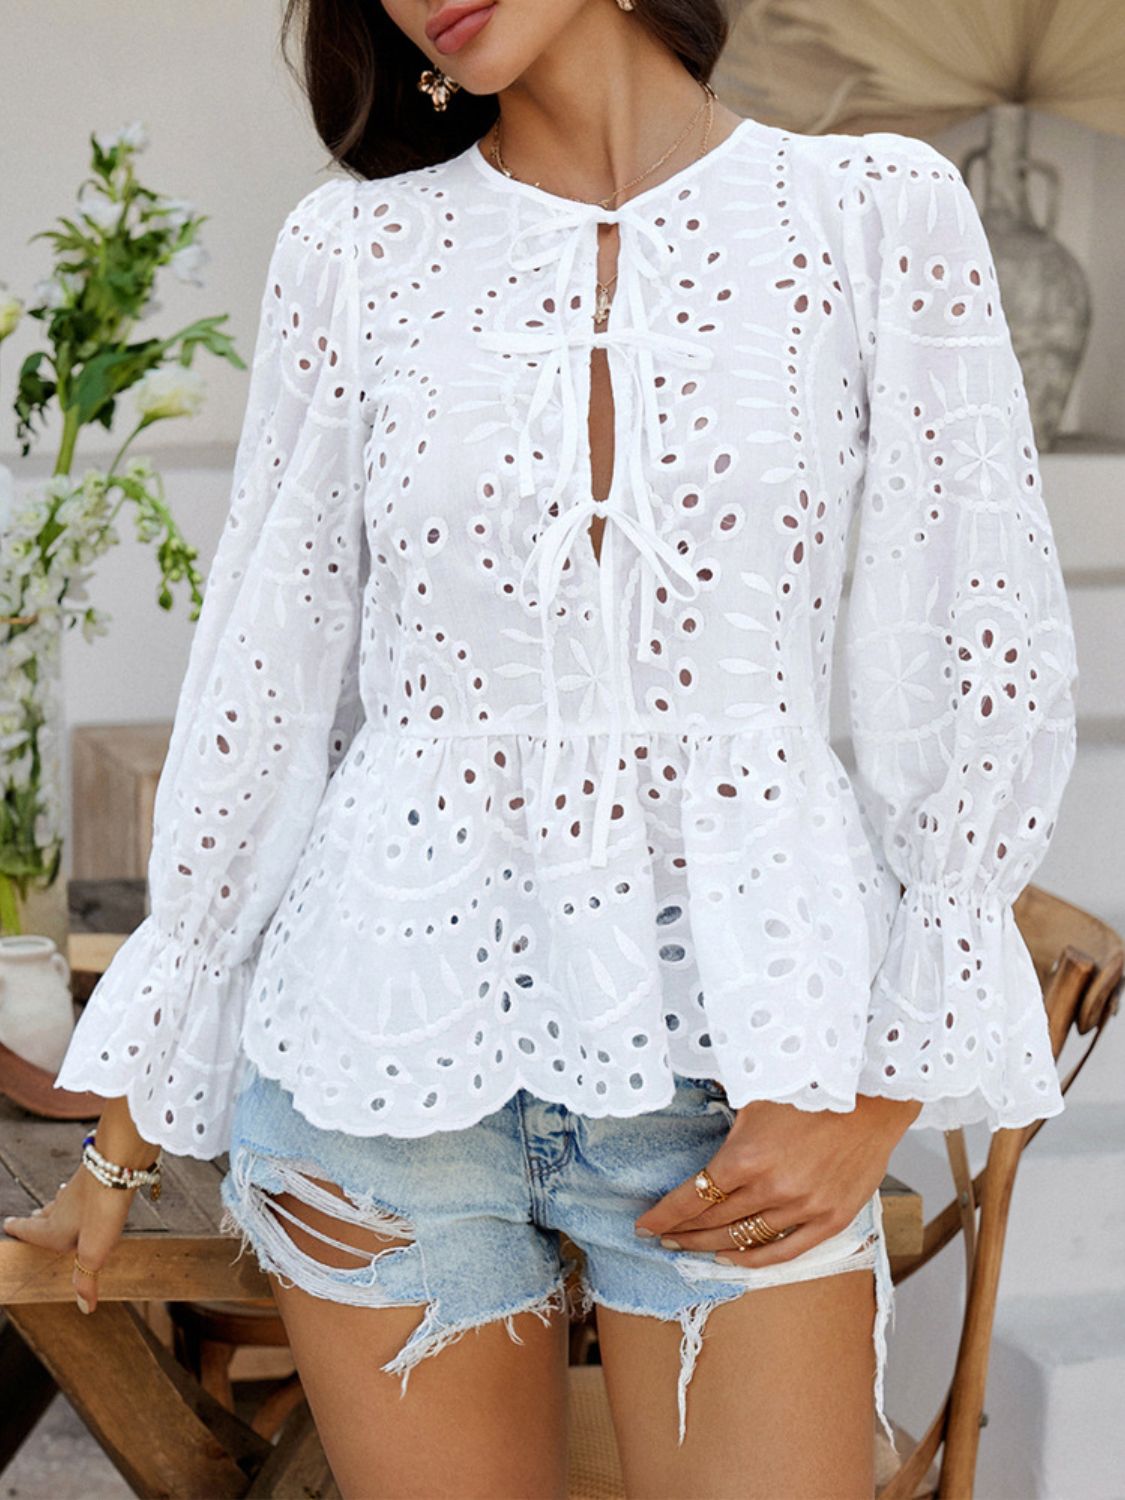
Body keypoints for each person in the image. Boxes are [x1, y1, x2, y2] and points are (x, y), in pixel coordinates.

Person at [4, 1, 1079, 1495]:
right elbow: (265, 681)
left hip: (749, 1068)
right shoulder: (353, 252)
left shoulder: (872, 213)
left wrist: (876, 1095)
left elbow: (976, 657)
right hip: (379, 1060)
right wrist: (121, 1143)